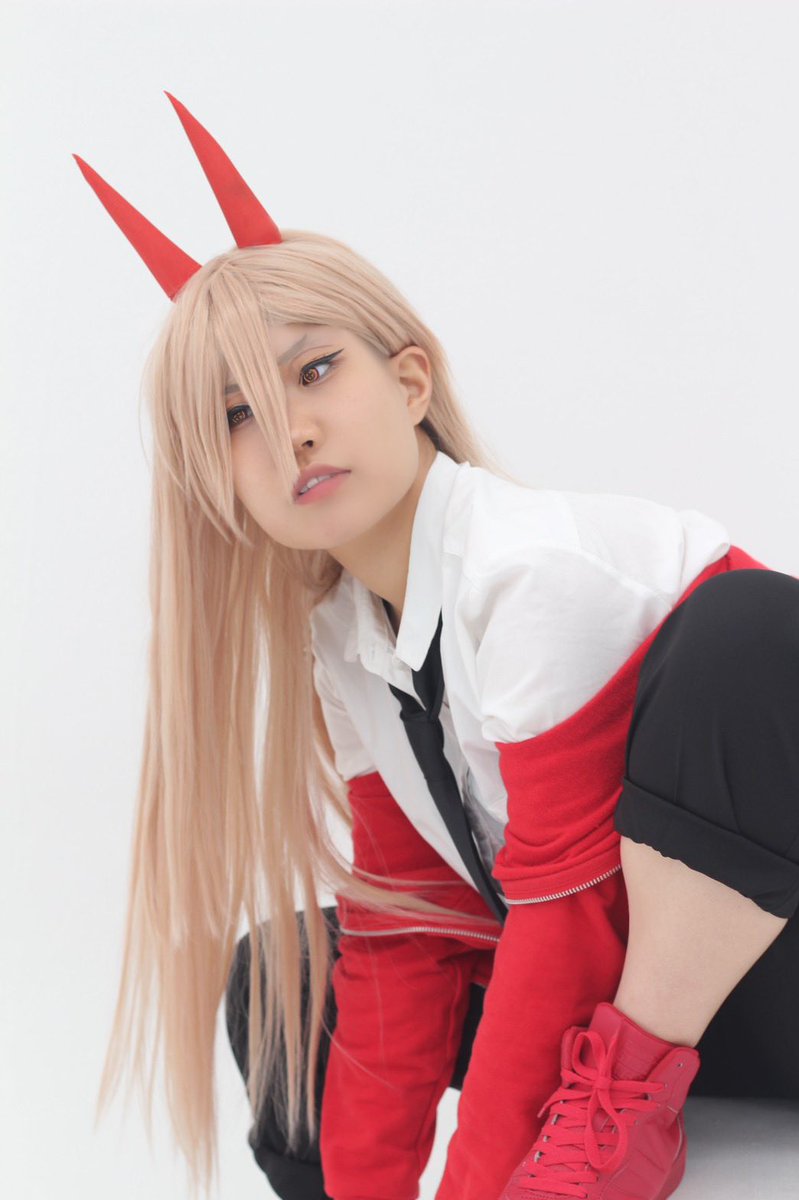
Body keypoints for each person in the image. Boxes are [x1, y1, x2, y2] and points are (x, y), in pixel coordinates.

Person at [77, 94, 799, 1200]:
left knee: (749, 630)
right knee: (285, 979)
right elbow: (406, 931)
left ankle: (620, 1119)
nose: (289, 431)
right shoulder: (343, 641)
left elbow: (566, 922)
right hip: (648, 1012)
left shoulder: (533, 571)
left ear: (409, 380)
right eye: (235, 415)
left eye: (313, 370)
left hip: (764, 976)